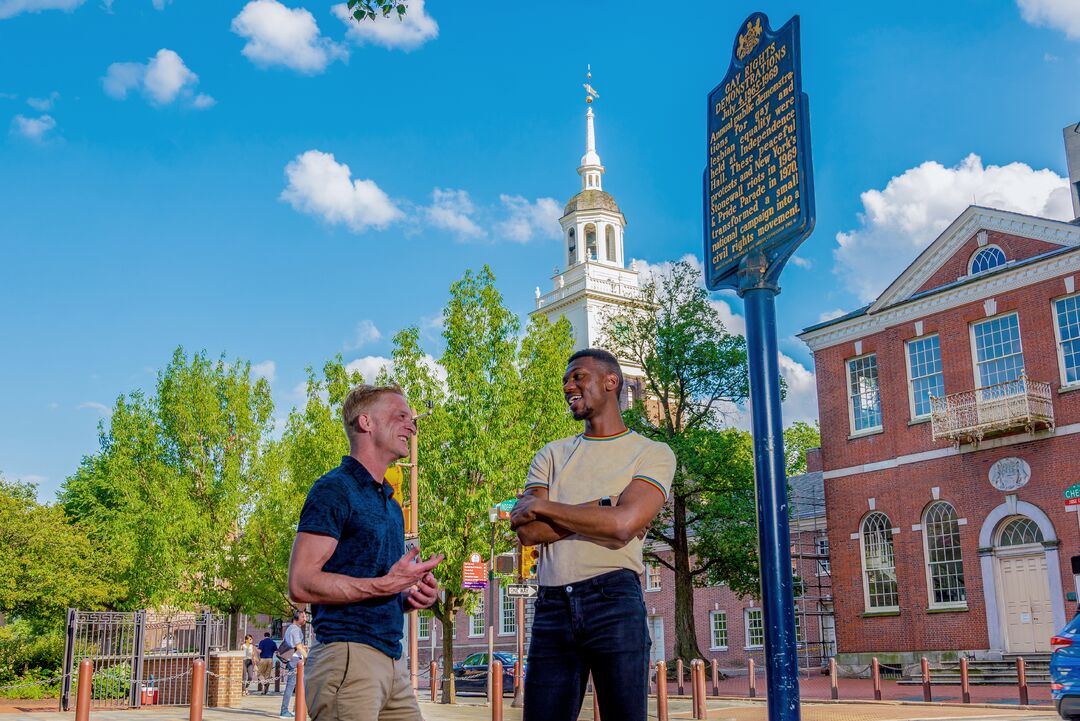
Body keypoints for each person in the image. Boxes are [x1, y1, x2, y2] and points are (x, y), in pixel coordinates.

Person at [510, 349, 675, 721]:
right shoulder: (551, 454)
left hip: (613, 598)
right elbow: (529, 532)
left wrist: (547, 506)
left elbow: (623, 526)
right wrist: (605, 505)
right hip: (551, 604)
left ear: (610, 381)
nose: (568, 386)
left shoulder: (652, 453)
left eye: (577, 377)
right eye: (566, 380)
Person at [288, 384, 443, 721]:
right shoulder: (334, 489)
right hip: (347, 659)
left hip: (393, 664)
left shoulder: (390, 504)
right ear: (366, 423)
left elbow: (376, 585)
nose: (412, 425)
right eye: (401, 415)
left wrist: (409, 598)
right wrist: (387, 586)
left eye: (412, 417)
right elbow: (300, 583)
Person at [278, 610, 309, 718]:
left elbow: (296, 646)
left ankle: (296, 709)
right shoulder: (295, 629)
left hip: (294, 659)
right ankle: (284, 711)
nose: (305, 619)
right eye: (303, 617)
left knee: (299, 686)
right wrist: (306, 657)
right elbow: (298, 646)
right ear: (297, 618)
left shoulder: (291, 628)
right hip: (295, 661)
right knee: (291, 686)